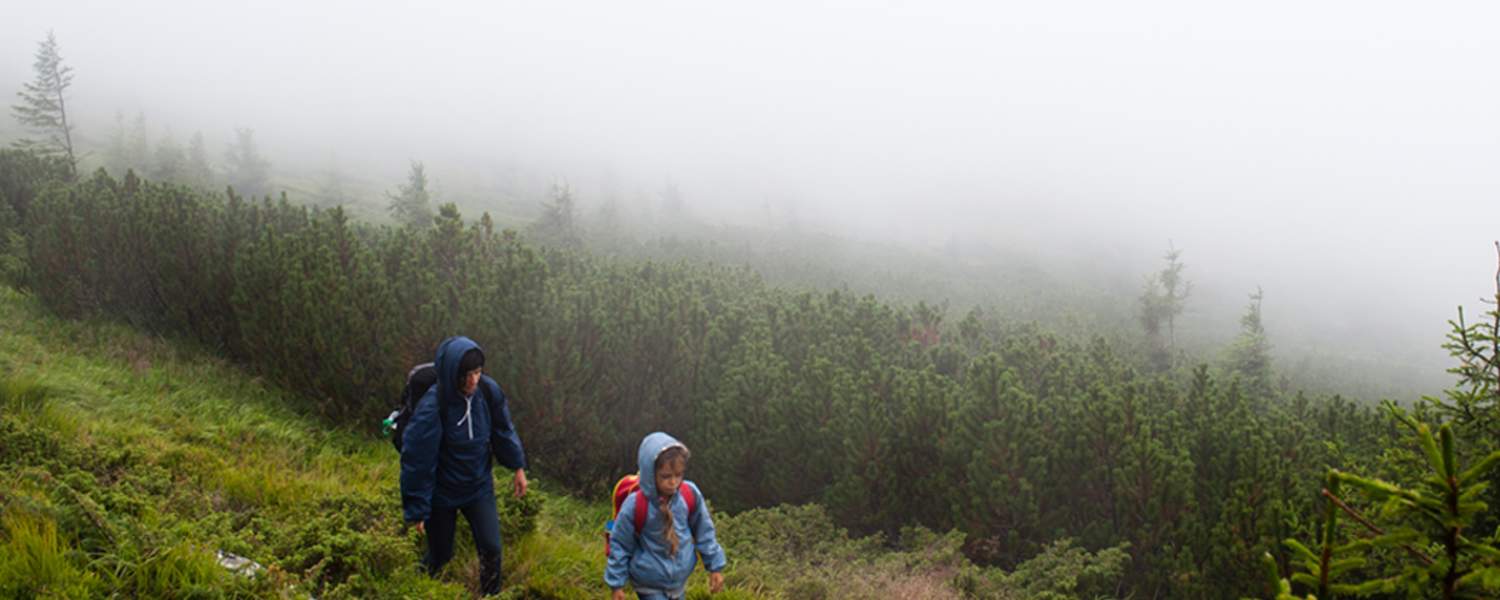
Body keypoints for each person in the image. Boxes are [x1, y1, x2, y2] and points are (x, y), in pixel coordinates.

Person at [400, 336, 528, 596]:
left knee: (492, 549)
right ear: (451, 374)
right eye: (466, 375)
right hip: (442, 495)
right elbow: (418, 460)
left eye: (477, 372)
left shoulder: (488, 393)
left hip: (478, 488)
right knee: (440, 555)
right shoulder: (434, 406)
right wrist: (418, 509)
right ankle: (413, 586)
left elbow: (503, 430)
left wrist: (517, 467)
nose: (473, 381)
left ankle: (491, 595)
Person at [605, 432, 726, 600]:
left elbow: (704, 530)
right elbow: (620, 543)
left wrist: (715, 567)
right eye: (665, 476)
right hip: (649, 583)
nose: (673, 482)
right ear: (650, 473)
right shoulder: (636, 504)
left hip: (679, 581)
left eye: (678, 475)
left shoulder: (688, 494)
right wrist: (617, 585)